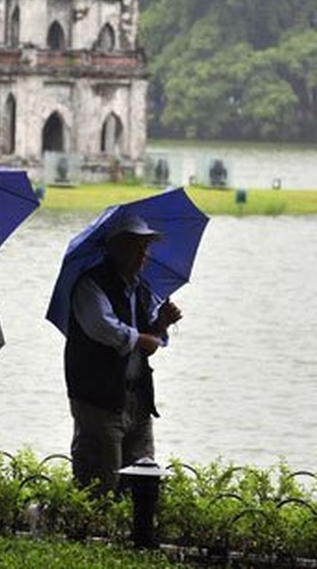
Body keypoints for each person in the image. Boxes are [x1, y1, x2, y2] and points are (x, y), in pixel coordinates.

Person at [64, 212, 183, 494]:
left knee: (142, 478)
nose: (143, 254)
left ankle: (136, 534)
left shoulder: (140, 290)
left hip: (137, 400)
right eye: (135, 246)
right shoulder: (90, 285)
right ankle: (86, 531)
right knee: (100, 481)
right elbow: (104, 329)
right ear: (114, 248)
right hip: (99, 400)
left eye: (146, 247)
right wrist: (145, 338)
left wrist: (161, 324)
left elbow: (146, 344)